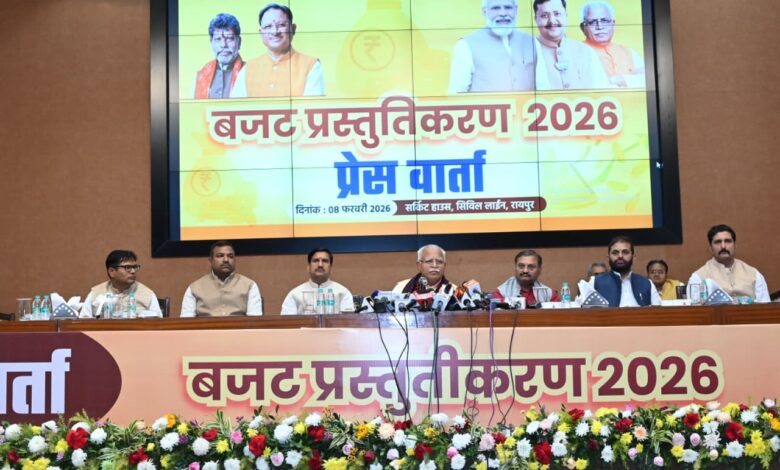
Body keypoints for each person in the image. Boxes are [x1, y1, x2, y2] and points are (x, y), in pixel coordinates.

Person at [231, 3, 323, 98]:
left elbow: (313, 105)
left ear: (293, 29)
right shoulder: (248, 69)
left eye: (281, 25)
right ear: (261, 33)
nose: (275, 31)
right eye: (268, 26)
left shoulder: (311, 65)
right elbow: (235, 105)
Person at [448, 0, 538, 93]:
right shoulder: (466, 45)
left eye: (508, 7)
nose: (503, 13)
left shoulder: (532, 41)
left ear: (516, 10)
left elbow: (543, 87)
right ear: (484, 11)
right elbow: (456, 92)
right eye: (496, 8)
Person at [533, 0, 610, 90]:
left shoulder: (586, 52)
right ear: (536, 19)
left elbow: (603, 91)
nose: (552, 21)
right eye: (544, 16)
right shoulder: (527, 53)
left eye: (557, 14)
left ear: (566, 16)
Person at [688, 224, 770, 302]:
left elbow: (765, 308)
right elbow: (695, 310)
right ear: (710, 248)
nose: (723, 246)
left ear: (734, 245)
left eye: (728, 241)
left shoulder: (754, 274)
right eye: (718, 242)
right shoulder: (698, 278)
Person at [181, 240, 263, 317]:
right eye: (220, 256)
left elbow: (255, 322)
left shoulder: (250, 286)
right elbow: (186, 322)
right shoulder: (194, 288)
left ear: (235, 260)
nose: (226, 260)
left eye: (230, 256)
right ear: (210, 260)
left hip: (239, 328)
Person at [580, 1, 645, 88]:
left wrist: (617, 80)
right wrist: (630, 80)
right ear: (583, 27)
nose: (600, 26)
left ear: (613, 24)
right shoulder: (577, 54)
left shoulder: (629, 52)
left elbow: (647, 80)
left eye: (605, 21)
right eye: (592, 22)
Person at [80, 250, 162, 318]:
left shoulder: (147, 294)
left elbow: (158, 324)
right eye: (128, 267)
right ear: (112, 271)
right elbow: (83, 321)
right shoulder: (96, 293)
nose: (133, 271)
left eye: (134, 267)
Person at [589, 236, 661, 307]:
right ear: (608, 258)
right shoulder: (595, 282)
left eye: (625, 252)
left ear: (633, 257)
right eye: (615, 253)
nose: (620, 256)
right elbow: (584, 311)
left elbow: (658, 312)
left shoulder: (647, 284)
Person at [281, 248, 354, 315]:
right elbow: (286, 323)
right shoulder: (294, 294)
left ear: (331, 268)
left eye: (325, 261)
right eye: (315, 261)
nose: (320, 265)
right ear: (308, 267)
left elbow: (349, 322)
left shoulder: (343, 293)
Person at [193, 13, 244, 99]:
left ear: (239, 42)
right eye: (218, 39)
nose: (223, 45)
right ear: (211, 42)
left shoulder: (250, 73)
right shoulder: (199, 77)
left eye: (229, 38)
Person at [492, 249, 560, 305]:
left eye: (531, 267)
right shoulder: (501, 293)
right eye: (521, 266)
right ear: (515, 268)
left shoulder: (549, 295)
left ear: (539, 270)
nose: (525, 270)